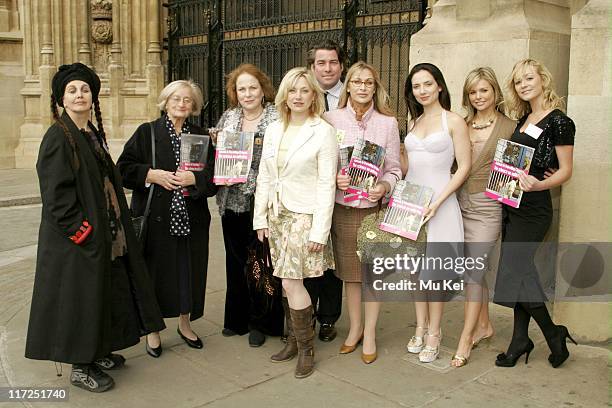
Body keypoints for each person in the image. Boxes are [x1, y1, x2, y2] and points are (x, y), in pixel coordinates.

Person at [25, 62, 165, 393]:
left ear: (93, 96)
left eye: (84, 89)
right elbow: (56, 198)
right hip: (76, 241)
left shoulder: (90, 132)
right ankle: (80, 364)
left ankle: (98, 350)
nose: (79, 95)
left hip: (107, 233)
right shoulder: (57, 137)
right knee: (80, 300)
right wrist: (82, 231)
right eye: (72, 90)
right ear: (61, 98)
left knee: (102, 294)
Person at [117, 80, 217, 358]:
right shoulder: (147, 132)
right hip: (155, 219)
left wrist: (194, 179)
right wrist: (151, 175)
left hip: (191, 219)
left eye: (187, 100)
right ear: (165, 101)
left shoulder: (200, 136)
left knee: (188, 272)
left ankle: (185, 325)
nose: (182, 104)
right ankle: (153, 331)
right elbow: (122, 169)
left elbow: (213, 179)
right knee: (154, 275)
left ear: (194, 106)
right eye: (176, 98)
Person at [253, 67, 337, 378]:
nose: (298, 96)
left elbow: (328, 183)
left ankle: (306, 348)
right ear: (284, 96)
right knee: (286, 281)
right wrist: (260, 218)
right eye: (293, 90)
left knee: (291, 281)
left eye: (305, 90)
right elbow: (265, 175)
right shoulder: (274, 129)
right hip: (277, 213)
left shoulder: (323, 131)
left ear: (314, 95)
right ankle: (292, 339)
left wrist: (320, 229)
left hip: (305, 214)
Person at [493, 58, 576, 368]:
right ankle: (520, 339)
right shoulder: (524, 118)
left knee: (517, 271)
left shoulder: (559, 121)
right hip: (512, 205)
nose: (524, 84)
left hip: (535, 209)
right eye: (518, 81)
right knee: (521, 274)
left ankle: (552, 334)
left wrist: (540, 184)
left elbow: (565, 171)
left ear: (543, 79)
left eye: (529, 78)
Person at [325, 61, 401, 364]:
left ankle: (370, 332)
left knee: (372, 275)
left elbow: (394, 169)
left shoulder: (388, 123)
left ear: (375, 87)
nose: (362, 87)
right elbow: (323, 163)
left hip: (373, 210)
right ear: (348, 86)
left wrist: (384, 186)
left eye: (368, 82)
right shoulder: (330, 119)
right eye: (356, 82)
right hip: (343, 208)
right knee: (351, 276)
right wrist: (335, 178)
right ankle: (354, 328)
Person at [402, 63, 471, 363]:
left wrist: (438, 202)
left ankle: (435, 332)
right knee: (417, 272)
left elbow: (464, 167)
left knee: (435, 275)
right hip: (411, 204)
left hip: (441, 204)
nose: (422, 91)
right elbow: (409, 168)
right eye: (417, 86)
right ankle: (419, 327)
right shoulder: (413, 123)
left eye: (427, 84)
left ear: (439, 86)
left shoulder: (454, 121)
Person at [213, 63, 283, 347]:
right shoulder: (229, 117)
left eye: (252, 87)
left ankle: (261, 322)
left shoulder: (276, 118)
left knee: (261, 261)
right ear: (235, 92)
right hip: (230, 199)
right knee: (235, 260)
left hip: (261, 199)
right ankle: (237, 318)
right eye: (241, 88)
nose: (247, 93)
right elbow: (218, 151)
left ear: (262, 88)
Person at [450, 67, 515, 368]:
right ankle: (485, 326)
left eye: (484, 90)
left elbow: (516, 172)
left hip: (488, 207)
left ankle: (466, 337)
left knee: (472, 272)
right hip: (458, 205)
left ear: (495, 92)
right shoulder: (461, 124)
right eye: (473, 92)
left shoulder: (510, 127)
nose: (478, 96)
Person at [304, 39, 346, 341]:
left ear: (341, 65)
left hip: (345, 192)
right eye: (321, 62)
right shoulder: (302, 95)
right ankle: (303, 315)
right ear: (312, 67)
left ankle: (329, 317)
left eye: (332, 62)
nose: (327, 68)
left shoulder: (353, 93)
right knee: (309, 253)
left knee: (336, 258)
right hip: (308, 191)